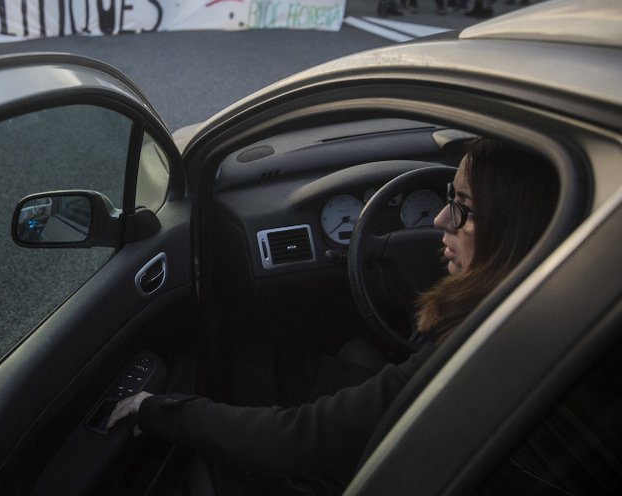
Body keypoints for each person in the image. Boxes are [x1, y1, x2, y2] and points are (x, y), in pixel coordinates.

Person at [107, 138, 558, 489]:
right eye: (446, 197)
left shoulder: (476, 341)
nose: (440, 220)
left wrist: (159, 410)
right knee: (358, 350)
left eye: (466, 208)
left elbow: (300, 437)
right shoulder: (540, 305)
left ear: (513, 228)